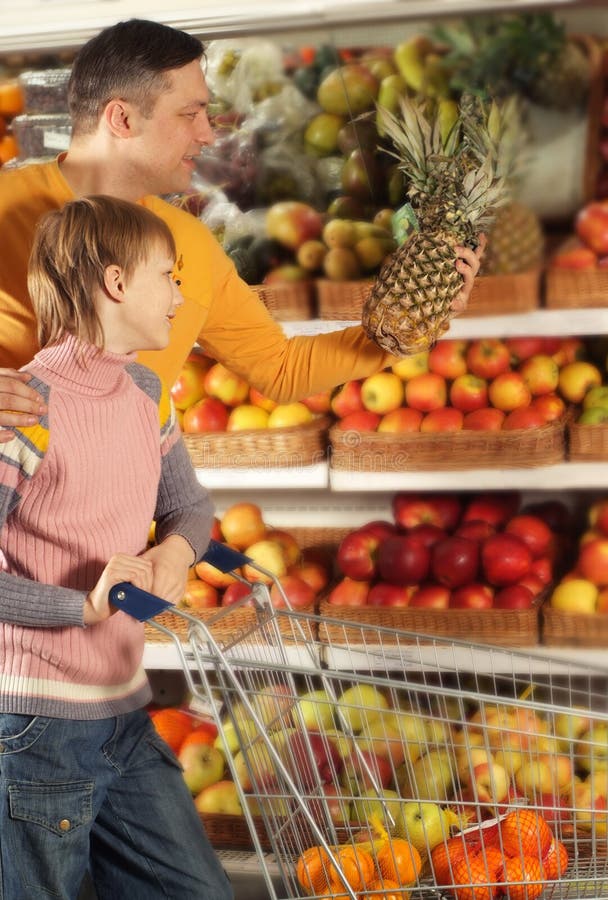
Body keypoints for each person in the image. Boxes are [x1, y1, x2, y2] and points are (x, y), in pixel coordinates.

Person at [0, 18, 484, 443]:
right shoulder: (7, 204)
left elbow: (280, 369)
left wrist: (413, 324)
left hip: (118, 530)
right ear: (122, 119)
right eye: (190, 114)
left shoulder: (187, 242)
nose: (209, 133)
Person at [0, 195, 232, 900]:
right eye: (169, 274)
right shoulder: (27, 410)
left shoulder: (146, 393)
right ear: (117, 283)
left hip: (123, 712)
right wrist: (82, 605)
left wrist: (179, 553)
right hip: (37, 723)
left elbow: (190, 507)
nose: (179, 295)